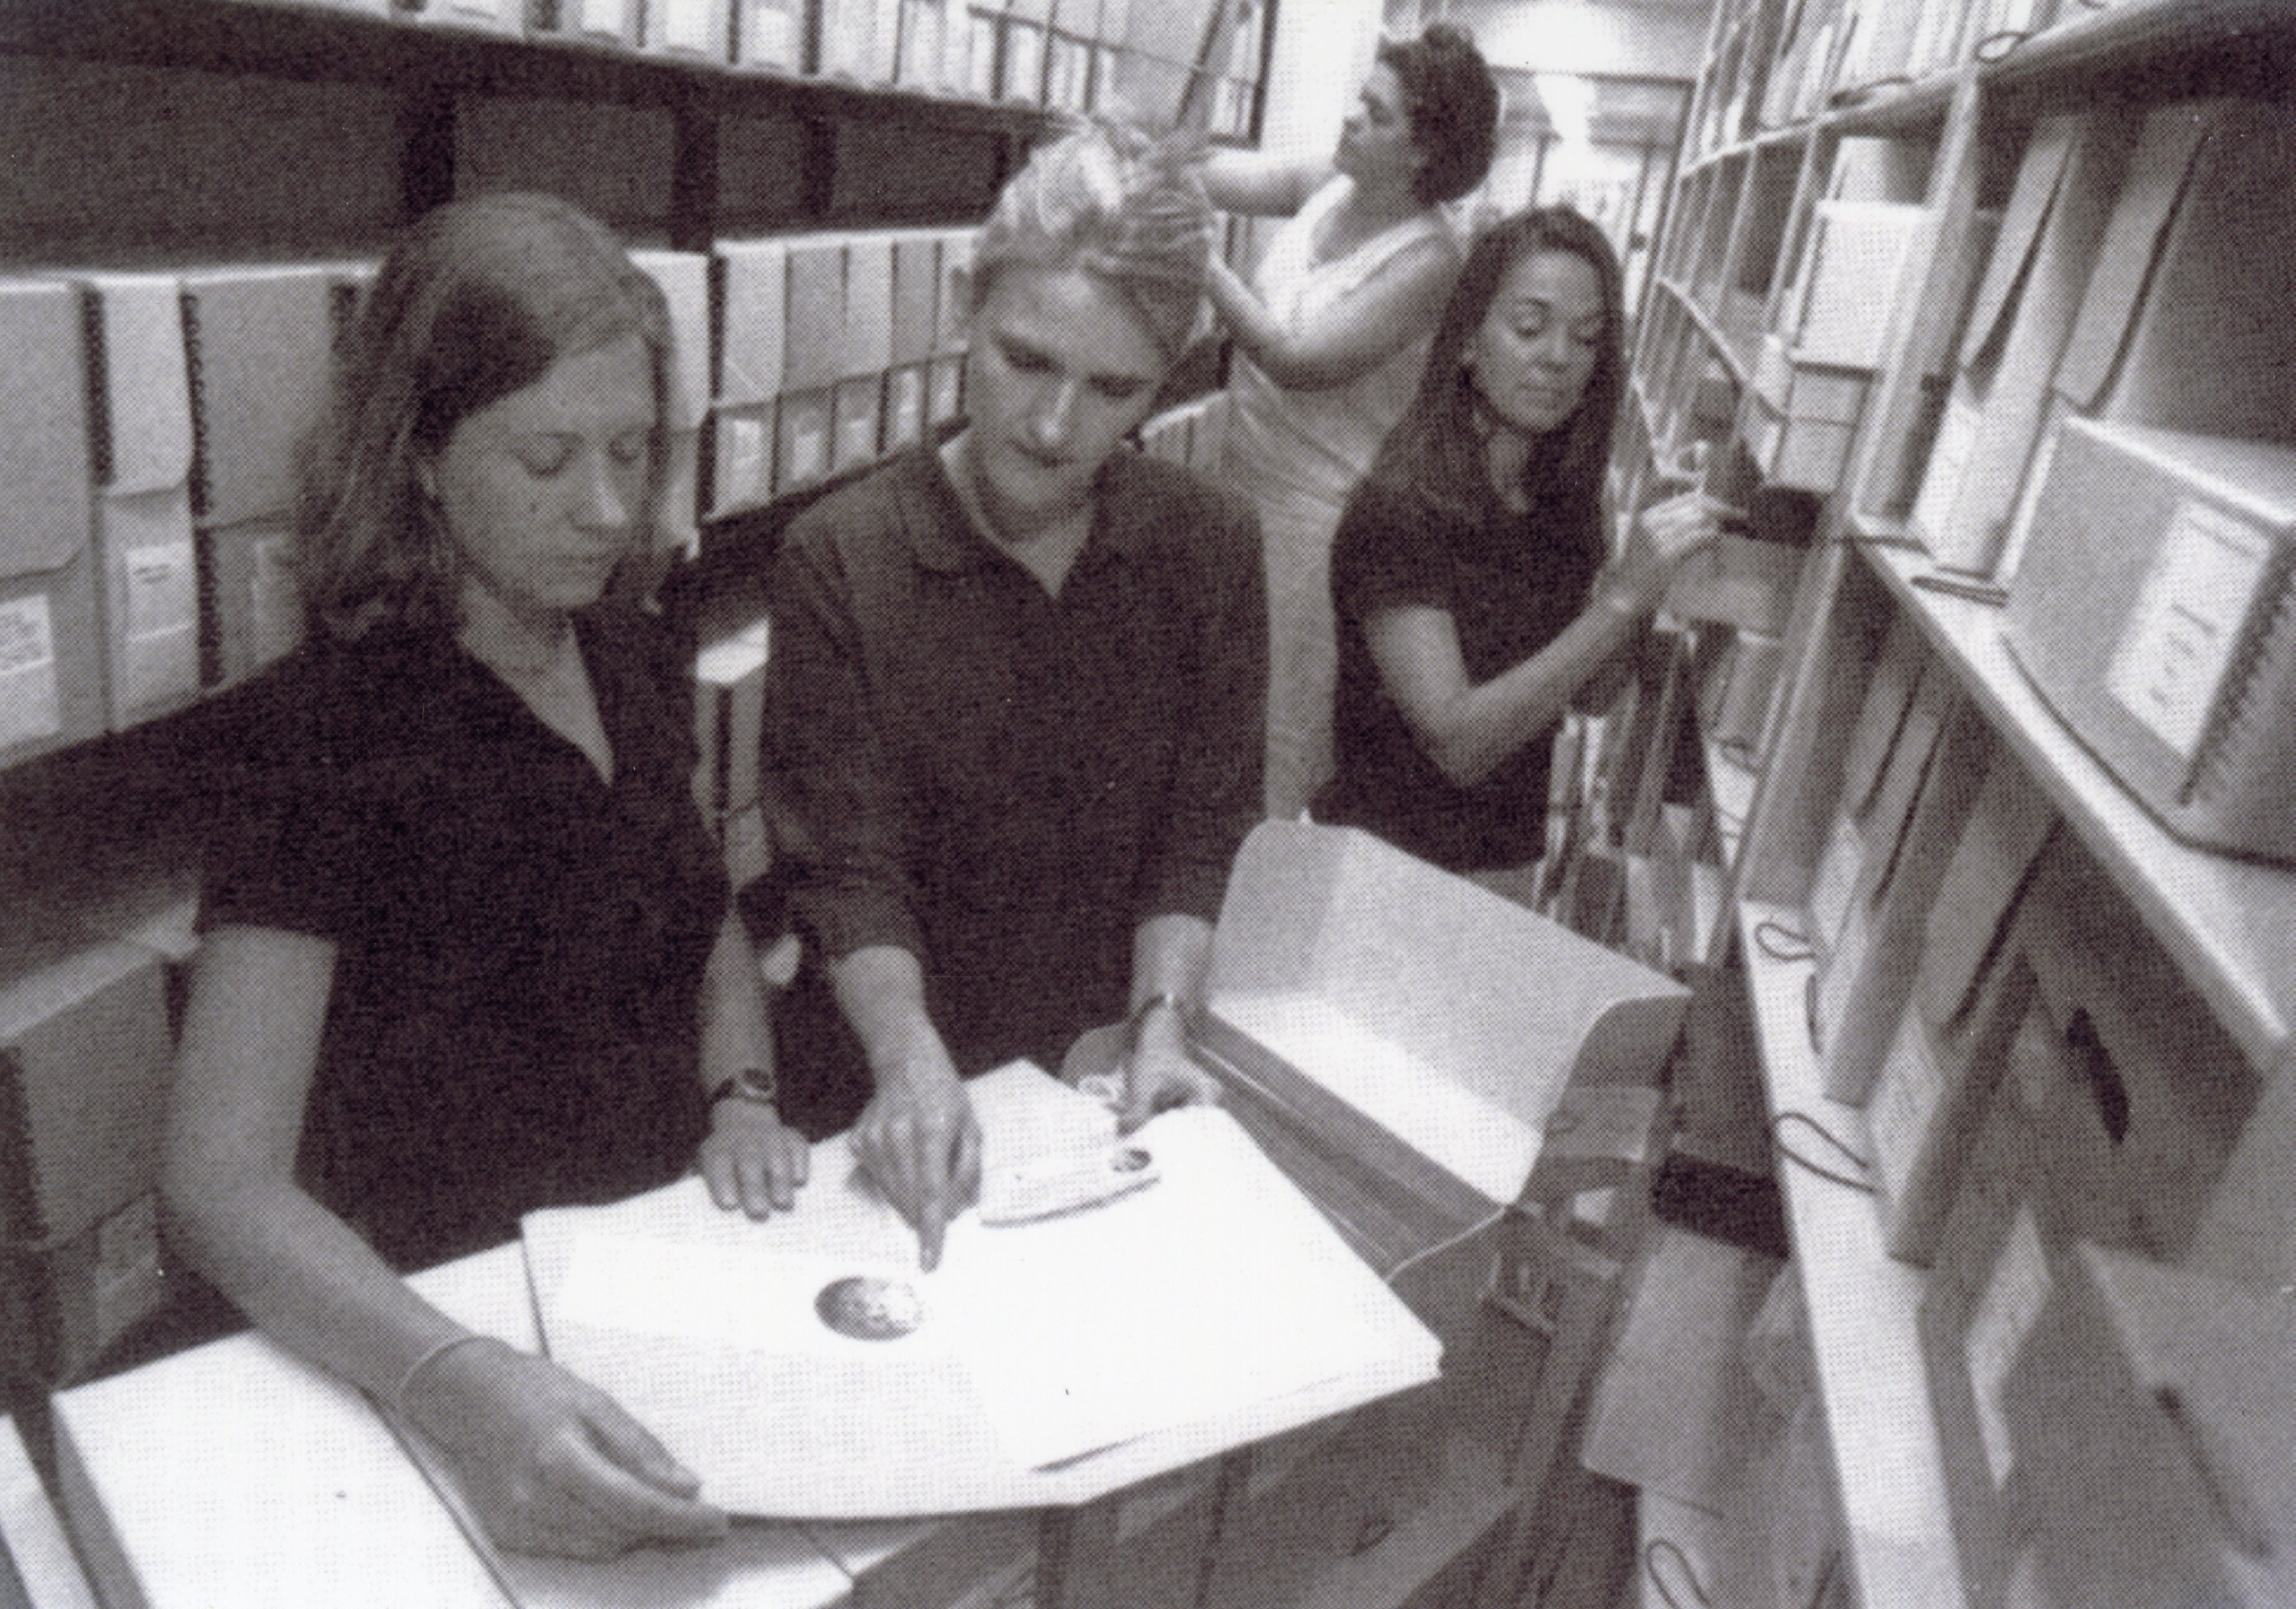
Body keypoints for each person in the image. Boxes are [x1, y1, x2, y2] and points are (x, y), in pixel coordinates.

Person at [160, 192, 810, 1560]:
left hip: (655, 1270)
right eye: (548, 457)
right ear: (420, 459)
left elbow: (695, 924)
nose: (608, 507)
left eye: (634, 450)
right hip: (440, 1331)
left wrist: (741, 1089)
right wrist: (458, 1384)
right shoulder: (321, 736)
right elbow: (218, 1185)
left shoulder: (631, 649)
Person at [759, 122, 1265, 1270]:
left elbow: (1202, 826)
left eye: (1112, 389)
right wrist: (906, 1058)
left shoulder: (1210, 547)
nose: (1053, 426)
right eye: (1026, 359)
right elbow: (849, 869)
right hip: (877, 1084)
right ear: (962, 309)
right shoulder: (840, 555)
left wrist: (1163, 1021)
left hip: (1090, 1079)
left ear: (1171, 372)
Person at [1314, 205, 1720, 879]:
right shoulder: (1401, 508)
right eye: (1530, 328)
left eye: (1587, 338)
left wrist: (1646, 575)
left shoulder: (1559, 498)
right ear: (1469, 340)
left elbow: (1591, 696)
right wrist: (1618, 601)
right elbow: (1458, 743)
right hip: (1381, 875)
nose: (1558, 359)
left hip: (1501, 867)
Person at [1202, 24, 1500, 820]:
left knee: (1273, 738)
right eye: (1356, 102)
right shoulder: (1330, 187)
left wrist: (1194, 254)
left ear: (1422, 152)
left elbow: (1295, 358)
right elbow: (1226, 174)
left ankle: (1247, 922)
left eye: (1376, 113)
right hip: (1241, 484)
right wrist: (1149, 157)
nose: (1349, 120)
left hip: (1313, 530)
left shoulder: (1429, 261)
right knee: (1209, 712)